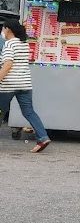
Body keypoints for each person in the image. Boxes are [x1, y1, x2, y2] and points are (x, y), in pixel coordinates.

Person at [0, 20, 51, 153]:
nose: (2, 32)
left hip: (9, 85)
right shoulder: (24, 44)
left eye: (3, 29)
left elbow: (8, 64)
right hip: (24, 84)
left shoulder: (9, 44)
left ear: (8, 30)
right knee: (29, 112)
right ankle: (43, 137)